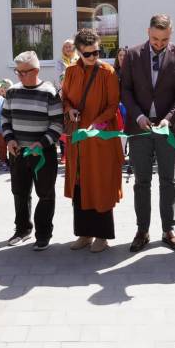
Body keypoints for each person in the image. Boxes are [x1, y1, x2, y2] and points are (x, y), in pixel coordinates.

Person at [120, 14, 175, 252]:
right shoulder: (132, 55)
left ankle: (168, 229)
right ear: (148, 32)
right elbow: (125, 90)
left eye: (164, 40)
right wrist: (138, 116)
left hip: (168, 129)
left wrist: (168, 119)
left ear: (171, 35)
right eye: (155, 39)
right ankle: (142, 230)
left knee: (168, 181)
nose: (159, 44)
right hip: (139, 128)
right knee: (141, 182)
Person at [62, 29, 124, 253]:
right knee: (80, 184)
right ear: (78, 52)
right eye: (88, 54)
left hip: (100, 140)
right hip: (78, 140)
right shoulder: (71, 71)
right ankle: (84, 234)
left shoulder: (107, 72)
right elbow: (65, 98)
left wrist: (95, 124)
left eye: (96, 52)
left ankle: (102, 236)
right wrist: (69, 110)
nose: (93, 57)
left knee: (100, 184)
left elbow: (113, 105)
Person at [2, 51, 64, 250]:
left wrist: (42, 143)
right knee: (19, 193)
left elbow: (57, 124)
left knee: (45, 194)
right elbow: (5, 119)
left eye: (24, 72)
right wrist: (9, 139)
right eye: (17, 72)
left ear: (36, 70)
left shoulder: (49, 92)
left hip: (43, 154)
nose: (19, 76)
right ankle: (22, 230)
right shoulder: (12, 92)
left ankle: (43, 234)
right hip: (18, 152)